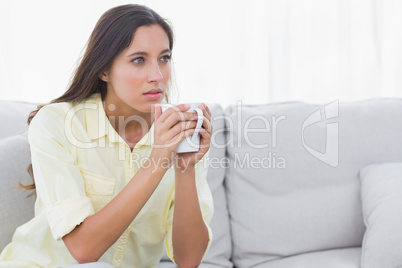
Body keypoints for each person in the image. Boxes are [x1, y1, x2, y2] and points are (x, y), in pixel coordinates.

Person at [0, 4, 214, 268]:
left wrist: (186, 170)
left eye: (164, 58)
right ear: (104, 70)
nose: (157, 75)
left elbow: (189, 260)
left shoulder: (179, 132)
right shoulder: (57, 123)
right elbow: (83, 250)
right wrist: (157, 160)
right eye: (139, 60)